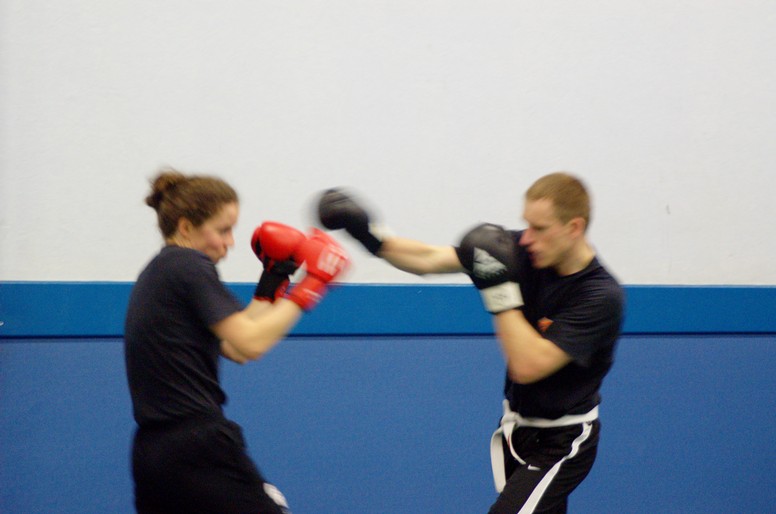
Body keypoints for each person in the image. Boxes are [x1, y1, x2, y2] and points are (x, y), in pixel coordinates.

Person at [316, 172, 624, 514]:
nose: (526, 238)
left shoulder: (599, 296)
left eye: (540, 228)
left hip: (562, 441)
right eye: (527, 225)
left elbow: (527, 366)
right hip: (518, 429)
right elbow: (428, 259)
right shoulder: (526, 252)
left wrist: (498, 289)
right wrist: (369, 234)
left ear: (574, 228)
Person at [125, 169, 349, 514]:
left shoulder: (161, 271)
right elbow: (250, 344)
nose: (230, 242)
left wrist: (275, 275)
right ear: (185, 227)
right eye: (222, 230)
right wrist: (314, 282)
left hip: (154, 453)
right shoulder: (188, 265)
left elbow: (233, 346)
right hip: (198, 446)